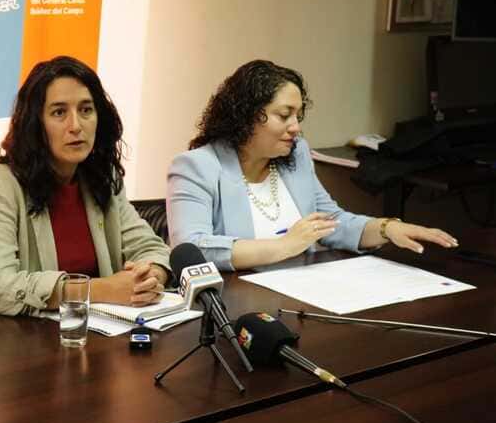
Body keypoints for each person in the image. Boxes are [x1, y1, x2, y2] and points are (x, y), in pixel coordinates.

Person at [166, 59, 458, 271]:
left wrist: (386, 228)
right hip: (236, 304)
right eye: (284, 115)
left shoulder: (296, 155)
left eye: (298, 116)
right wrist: (285, 246)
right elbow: (192, 249)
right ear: (245, 117)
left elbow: (330, 223)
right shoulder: (195, 167)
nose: (296, 127)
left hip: (302, 292)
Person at [0, 56, 171, 316]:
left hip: (92, 328)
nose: (76, 126)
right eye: (59, 112)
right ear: (35, 124)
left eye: (86, 110)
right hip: (11, 333)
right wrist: (101, 290)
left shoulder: (102, 177)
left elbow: (151, 248)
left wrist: (149, 278)